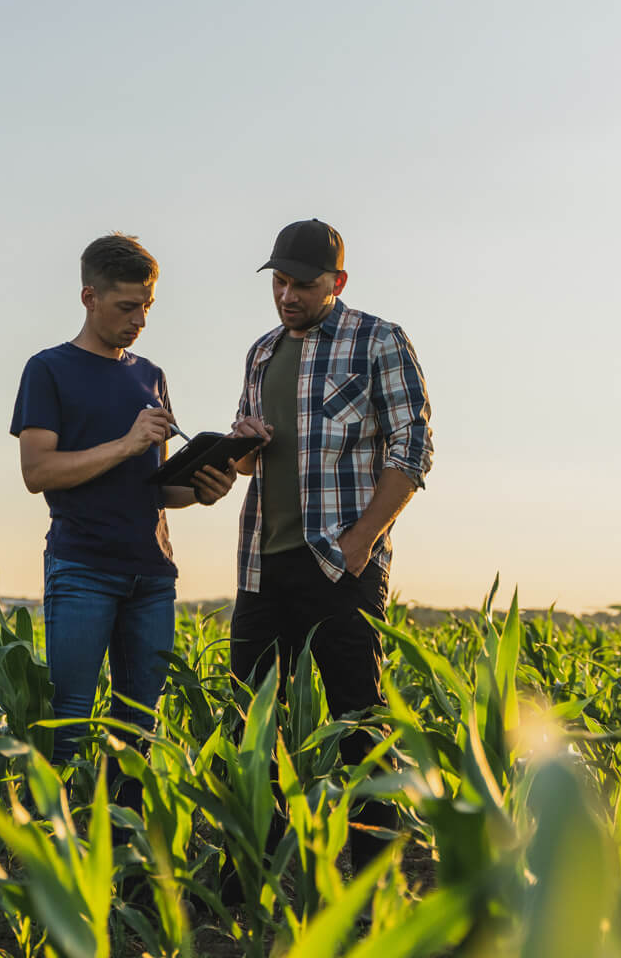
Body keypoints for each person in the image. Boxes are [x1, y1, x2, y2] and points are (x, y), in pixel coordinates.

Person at [229, 218, 434, 873]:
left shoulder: (379, 340)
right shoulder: (261, 352)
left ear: (337, 282)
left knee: (358, 721)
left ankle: (375, 871)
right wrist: (242, 443)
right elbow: (243, 468)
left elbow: (414, 446)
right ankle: (254, 872)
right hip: (263, 563)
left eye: (303, 284)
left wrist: (361, 541)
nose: (287, 296)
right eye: (279, 283)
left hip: (341, 564)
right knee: (251, 723)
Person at [10, 232, 237, 773]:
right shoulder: (48, 370)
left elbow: (155, 485)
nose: (139, 320)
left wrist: (203, 490)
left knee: (141, 724)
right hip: (82, 568)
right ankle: (54, 844)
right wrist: (128, 444)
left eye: (147, 307)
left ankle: (130, 847)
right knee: (69, 718)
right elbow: (37, 472)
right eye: (127, 307)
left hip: (152, 575)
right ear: (89, 298)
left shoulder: (149, 376)